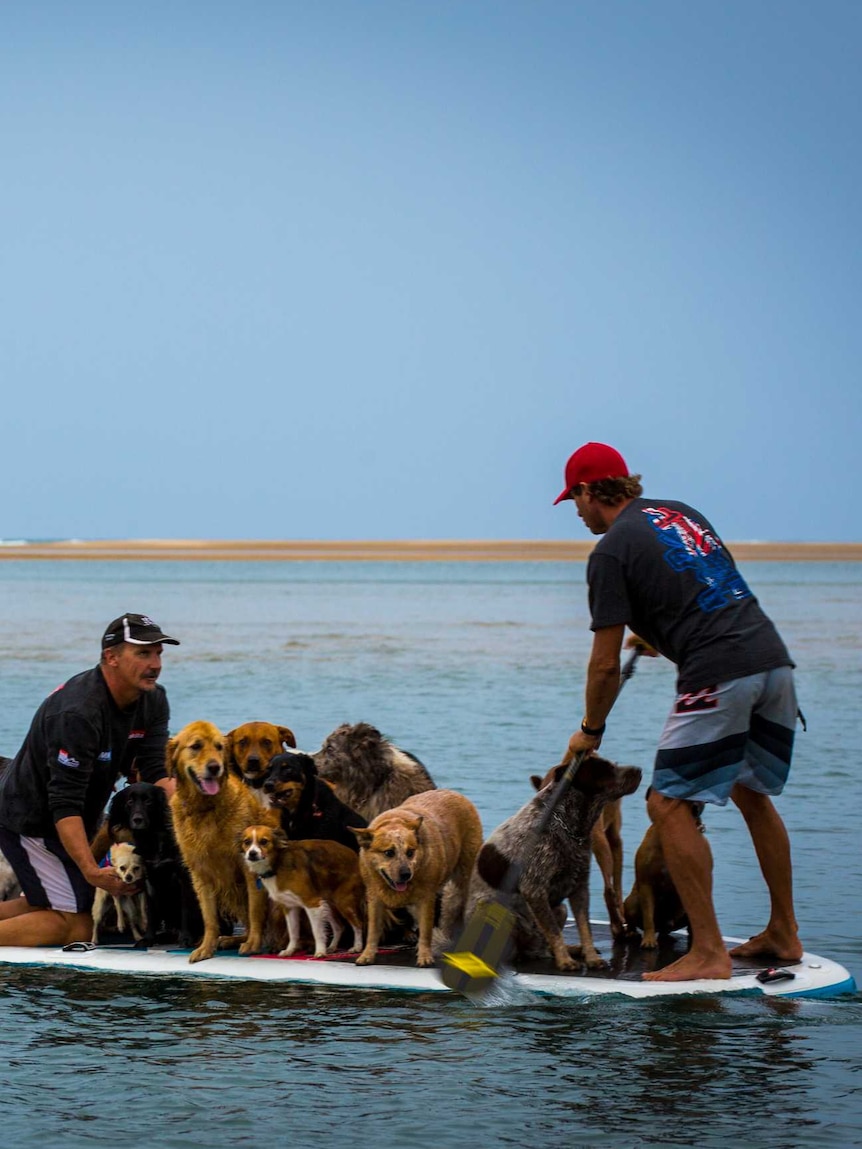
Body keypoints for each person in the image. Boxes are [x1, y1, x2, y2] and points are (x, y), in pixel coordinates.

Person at [555, 442, 802, 981]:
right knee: (751, 794)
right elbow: (706, 591)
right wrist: (662, 636)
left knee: (667, 803)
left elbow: (602, 667)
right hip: (772, 661)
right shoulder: (679, 514)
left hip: (719, 673)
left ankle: (708, 952)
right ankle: (785, 932)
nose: (575, 511)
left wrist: (589, 731)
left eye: (574, 498)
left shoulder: (609, 554)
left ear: (590, 491)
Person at [0, 613, 180, 947]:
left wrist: (199, 815)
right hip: (30, 819)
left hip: (72, 817)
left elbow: (155, 772)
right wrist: (91, 870)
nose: (155, 664)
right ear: (111, 657)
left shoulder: (153, 698)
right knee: (77, 925)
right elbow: (63, 804)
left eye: (158, 654)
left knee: (49, 902)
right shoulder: (79, 712)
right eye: (143, 654)